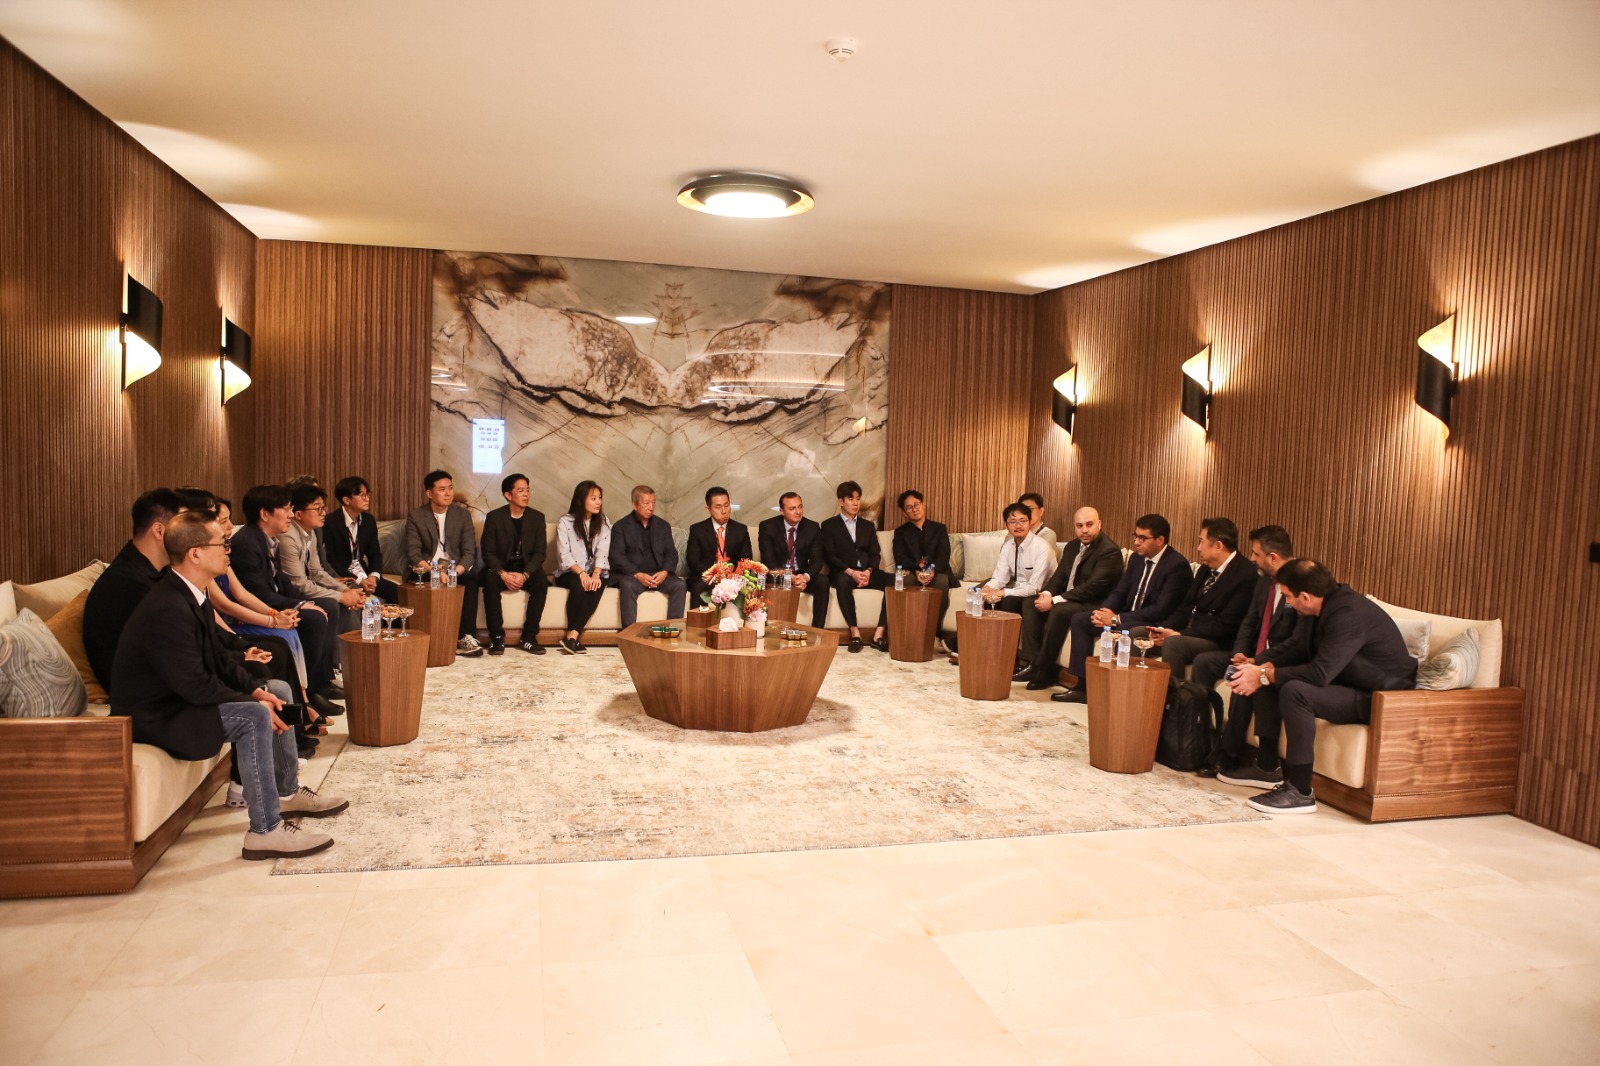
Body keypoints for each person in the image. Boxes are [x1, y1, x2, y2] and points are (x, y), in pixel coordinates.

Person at [109, 511, 348, 860]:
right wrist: (253, 702)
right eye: (221, 544)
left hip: (180, 702)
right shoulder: (167, 606)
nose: (228, 549)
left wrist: (256, 690)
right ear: (195, 554)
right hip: (157, 716)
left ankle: (286, 792)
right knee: (255, 716)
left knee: (277, 691)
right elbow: (195, 685)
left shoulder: (191, 594)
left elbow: (220, 659)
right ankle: (264, 831)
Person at [1222, 559, 1418, 814]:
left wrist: (1265, 674)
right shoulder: (1317, 608)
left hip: (1381, 698)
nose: (1287, 602)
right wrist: (1258, 664)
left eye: (1288, 596)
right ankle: (1268, 767)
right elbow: (1298, 649)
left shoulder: (1348, 614)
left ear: (1304, 596)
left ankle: (1300, 791)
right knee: (1270, 681)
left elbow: (1320, 673)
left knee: (1295, 691)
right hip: (1348, 683)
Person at [1191, 525, 1307, 778]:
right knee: (1204, 662)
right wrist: (1240, 652)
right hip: (1254, 655)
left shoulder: (1302, 584)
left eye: (1255, 553)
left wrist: (1257, 661)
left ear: (1272, 557)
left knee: (1247, 678)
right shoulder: (1264, 581)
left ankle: (1228, 754)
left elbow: (1298, 641)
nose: (1251, 558)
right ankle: (1199, 739)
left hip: (1281, 660)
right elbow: (1250, 620)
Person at [232, 484, 343, 715]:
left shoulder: (267, 538)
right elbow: (258, 593)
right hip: (258, 610)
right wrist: (298, 606)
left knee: (327, 606)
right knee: (313, 618)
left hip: (271, 603)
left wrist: (304, 602)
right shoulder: (246, 543)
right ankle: (307, 693)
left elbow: (283, 582)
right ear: (265, 514)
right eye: (286, 509)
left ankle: (319, 683)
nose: (291, 515)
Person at [1056, 513, 1190, 703]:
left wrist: (1116, 619)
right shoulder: (1136, 559)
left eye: (1142, 538)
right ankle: (1082, 686)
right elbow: (1120, 591)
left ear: (1160, 540)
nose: (1136, 542)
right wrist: (1104, 612)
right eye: (1135, 536)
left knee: (1129, 631)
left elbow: (1159, 609)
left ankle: (1119, 693)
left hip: (1151, 623)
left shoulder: (1177, 566)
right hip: (1126, 616)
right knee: (1080, 619)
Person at [83, 488, 183, 692]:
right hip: (143, 693)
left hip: (166, 680)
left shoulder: (157, 572)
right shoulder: (127, 583)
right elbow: (174, 646)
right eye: (182, 528)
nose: (188, 537)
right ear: (159, 531)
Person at [1016, 506, 1124, 690]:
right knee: (1030, 603)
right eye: (1079, 526)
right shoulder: (1072, 546)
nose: (1084, 530)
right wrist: (1047, 594)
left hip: (1093, 603)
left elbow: (1091, 588)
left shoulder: (1109, 551)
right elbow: (1059, 577)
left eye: (1089, 525)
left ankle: (1046, 671)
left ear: (1099, 524)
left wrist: (1055, 600)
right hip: (1071, 599)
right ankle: (1033, 664)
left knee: (1059, 611)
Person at [1139, 517, 1257, 677]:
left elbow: (1226, 624)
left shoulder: (1246, 574)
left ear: (1218, 546)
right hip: (1190, 633)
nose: (1198, 548)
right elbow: (1185, 607)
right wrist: (1164, 630)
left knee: (1174, 643)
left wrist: (1181, 634)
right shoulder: (1205, 569)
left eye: (1202, 542)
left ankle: (1175, 693)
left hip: (1218, 640)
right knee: (1138, 634)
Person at [402, 469, 485, 658]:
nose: (448, 493)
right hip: (426, 570)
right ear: (429, 493)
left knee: (470, 583)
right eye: (442, 489)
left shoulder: (462, 515)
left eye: (450, 488)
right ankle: (424, 638)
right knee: (420, 583)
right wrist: (434, 572)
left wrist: (455, 572)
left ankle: (466, 637)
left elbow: (469, 552)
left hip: (455, 569)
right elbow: (413, 552)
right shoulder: (417, 515)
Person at [278, 483, 366, 633]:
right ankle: (347, 645)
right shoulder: (287, 538)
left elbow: (317, 572)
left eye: (323, 508)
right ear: (298, 514)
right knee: (334, 603)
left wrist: (346, 590)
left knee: (352, 592)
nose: (323, 513)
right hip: (289, 594)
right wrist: (341, 596)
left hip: (303, 588)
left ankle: (354, 643)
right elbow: (299, 584)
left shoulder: (310, 531)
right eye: (317, 508)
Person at [819, 480, 893, 652]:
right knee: (842, 581)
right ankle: (855, 632)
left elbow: (875, 554)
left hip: (867, 571)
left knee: (895, 581)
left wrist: (868, 571)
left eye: (858, 499)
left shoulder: (868, 526)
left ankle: (879, 633)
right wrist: (851, 572)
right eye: (851, 499)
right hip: (844, 572)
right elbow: (830, 555)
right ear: (841, 501)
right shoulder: (829, 525)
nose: (855, 503)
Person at [479, 472, 549, 655]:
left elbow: (540, 553)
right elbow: (488, 552)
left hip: (526, 569)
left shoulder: (537, 518)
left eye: (527, 490)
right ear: (508, 495)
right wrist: (503, 574)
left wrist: (525, 575)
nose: (526, 494)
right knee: (490, 581)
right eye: (520, 490)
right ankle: (497, 638)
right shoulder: (494, 517)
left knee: (541, 582)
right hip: (501, 569)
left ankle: (529, 637)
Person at [609, 484, 687, 628]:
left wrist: (664, 572)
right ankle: (629, 632)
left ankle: (673, 629)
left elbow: (671, 554)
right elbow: (617, 556)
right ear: (634, 505)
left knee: (679, 585)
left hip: (658, 575)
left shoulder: (662, 525)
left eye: (653, 503)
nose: (651, 507)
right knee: (627, 585)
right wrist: (638, 575)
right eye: (646, 503)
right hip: (633, 576)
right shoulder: (621, 527)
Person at [554, 480, 611, 654]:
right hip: (569, 572)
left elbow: (603, 551)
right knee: (580, 585)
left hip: (594, 572)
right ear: (580, 500)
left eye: (599, 498)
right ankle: (573, 637)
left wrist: (596, 574)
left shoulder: (604, 522)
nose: (598, 502)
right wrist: (582, 574)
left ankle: (572, 636)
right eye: (593, 498)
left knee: (597, 585)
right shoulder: (565, 522)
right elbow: (564, 555)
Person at [324, 476, 400, 604]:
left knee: (395, 591)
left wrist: (373, 576)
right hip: (342, 576)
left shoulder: (368, 520)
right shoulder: (330, 522)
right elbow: (331, 561)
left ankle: (388, 618)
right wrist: (359, 581)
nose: (367, 498)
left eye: (367, 494)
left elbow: (375, 554)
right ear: (346, 500)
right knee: (357, 593)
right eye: (362, 495)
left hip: (364, 573)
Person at [757, 492, 828, 627]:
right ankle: (766, 627)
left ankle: (818, 630)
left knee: (822, 581)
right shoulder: (768, 527)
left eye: (800, 507)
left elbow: (817, 559)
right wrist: (790, 578)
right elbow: (768, 560)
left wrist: (805, 577)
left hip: (801, 575)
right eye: (792, 508)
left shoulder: (812, 527)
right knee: (763, 578)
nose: (798, 512)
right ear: (782, 511)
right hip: (777, 575)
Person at [982, 502, 1056, 617]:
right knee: (983, 598)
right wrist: (987, 588)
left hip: (1041, 594)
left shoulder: (1042, 548)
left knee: (1008, 601)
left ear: (1030, 523)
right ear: (1006, 525)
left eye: (1023, 521)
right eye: (1013, 522)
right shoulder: (1007, 547)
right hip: (1017, 590)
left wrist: (1002, 592)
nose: (1018, 526)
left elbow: (1034, 588)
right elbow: (1000, 577)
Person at [685, 486, 752, 605]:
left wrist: (730, 575)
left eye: (726, 505)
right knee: (698, 586)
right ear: (708, 509)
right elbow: (693, 561)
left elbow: (746, 559)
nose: (724, 511)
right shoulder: (697, 530)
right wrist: (713, 575)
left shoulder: (740, 530)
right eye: (718, 507)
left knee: (747, 586)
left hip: (733, 576)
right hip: (706, 576)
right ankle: (699, 617)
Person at [892, 490, 956, 613]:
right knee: (906, 581)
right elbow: (900, 558)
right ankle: (911, 623)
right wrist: (916, 571)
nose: (914, 509)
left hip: (936, 571)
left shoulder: (939, 529)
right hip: (912, 572)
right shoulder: (900, 532)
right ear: (905, 513)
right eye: (909, 508)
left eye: (916, 505)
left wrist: (931, 571)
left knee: (942, 582)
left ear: (923, 505)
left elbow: (943, 556)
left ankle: (934, 625)